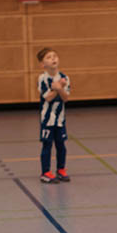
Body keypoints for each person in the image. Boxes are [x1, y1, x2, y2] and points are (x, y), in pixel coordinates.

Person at [36, 47, 71, 183]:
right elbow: (48, 98)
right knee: (47, 145)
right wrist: (55, 88)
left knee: (61, 144)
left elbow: (66, 98)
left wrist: (59, 88)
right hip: (47, 120)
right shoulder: (42, 79)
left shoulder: (64, 78)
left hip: (60, 119)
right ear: (43, 64)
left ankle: (61, 169)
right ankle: (45, 172)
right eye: (49, 57)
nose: (53, 59)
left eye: (55, 56)